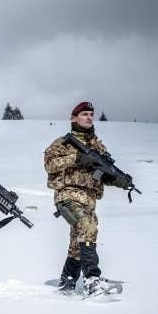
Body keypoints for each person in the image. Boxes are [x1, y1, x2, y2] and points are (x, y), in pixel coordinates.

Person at [44, 101, 119, 296]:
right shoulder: (63, 143)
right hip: (67, 196)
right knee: (88, 228)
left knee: (78, 245)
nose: (89, 117)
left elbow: (101, 174)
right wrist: (76, 158)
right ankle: (92, 280)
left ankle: (67, 283)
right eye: (84, 114)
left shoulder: (98, 146)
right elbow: (50, 165)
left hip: (89, 200)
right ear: (74, 118)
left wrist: (116, 179)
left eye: (91, 114)